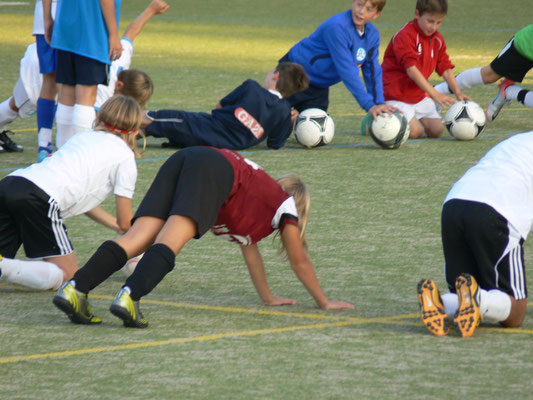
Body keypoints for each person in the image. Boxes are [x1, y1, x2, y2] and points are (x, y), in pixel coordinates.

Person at [52, 146, 354, 328]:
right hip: (213, 169)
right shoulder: (286, 206)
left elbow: (252, 255)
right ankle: (130, 297)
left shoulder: (257, 202)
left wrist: (268, 297)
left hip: (187, 157)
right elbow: (299, 260)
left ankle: (76, 288)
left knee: (138, 238)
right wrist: (323, 302)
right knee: (169, 242)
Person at [0, 95, 141, 292]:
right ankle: (2, 268)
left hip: (11, 183)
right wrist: (140, 240)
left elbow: (88, 204)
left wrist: (117, 227)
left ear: (100, 116)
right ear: (136, 129)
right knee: (68, 276)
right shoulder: (125, 157)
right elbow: (127, 222)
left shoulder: (83, 137)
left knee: (4, 255)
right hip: (39, 198)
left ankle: (3, 265)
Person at [0, 0, 166, 160]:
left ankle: (58, 152)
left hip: (63, 34)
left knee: (64, 94)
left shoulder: (122, 60)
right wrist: (113, 34)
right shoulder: (106, 94)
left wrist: (151, 10)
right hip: (89, 36)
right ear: (120, 86)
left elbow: (131, 32)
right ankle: (77, 156)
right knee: (79, 97)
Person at [417, 130, 533, 338]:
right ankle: (478, 297)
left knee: (463, 297)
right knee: (516, 312)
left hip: (454, 204)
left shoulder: (519, 140)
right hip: (496, 209)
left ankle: (440, 303)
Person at [143, 62, 309, 150]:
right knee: (166, 126)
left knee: (167, 117)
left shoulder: (252, 87)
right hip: (228, 145)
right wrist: (288, 122)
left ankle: (124, 120)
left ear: (276, 76)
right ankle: (130, 130)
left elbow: (219, 106)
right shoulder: (284, 111)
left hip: (210, 129)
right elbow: (274, 145)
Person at [279, 0, 396, 119]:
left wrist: (379, 104)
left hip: (319, 86)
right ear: (353, 2)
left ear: (377, 14)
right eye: (359, 4)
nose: (361, 11)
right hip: (294, 74)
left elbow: (372, 71)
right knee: (276, 123)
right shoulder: (337, 27)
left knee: (314, 132)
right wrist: (369, 105)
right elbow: (347, 70)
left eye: (369, 9)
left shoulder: (372, 35)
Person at [381, 0, 470, 139]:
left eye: (439, 22)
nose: (434, 27)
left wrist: (458, 93)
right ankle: (375, 121)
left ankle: (409, 118)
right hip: (395, 95)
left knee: (437, 130)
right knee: (415, 132)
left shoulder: (437, 40)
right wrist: (434, 93)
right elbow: (411, 70)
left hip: (418, 96)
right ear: (417, 14)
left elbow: (445, 68)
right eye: (430, 21)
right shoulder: (405, 36)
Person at [51, 0, 122, 150]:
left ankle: (62, 152)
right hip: (92, 32)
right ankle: (82, 154)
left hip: (66, 30)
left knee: (67, 93)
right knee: (86, 95)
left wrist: (47, 19)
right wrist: (114, 35)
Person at [434, 24, 533, 121]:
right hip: (527, 44)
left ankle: (511, 92)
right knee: (489, 76)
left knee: (489, 76)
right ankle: (436, 91)